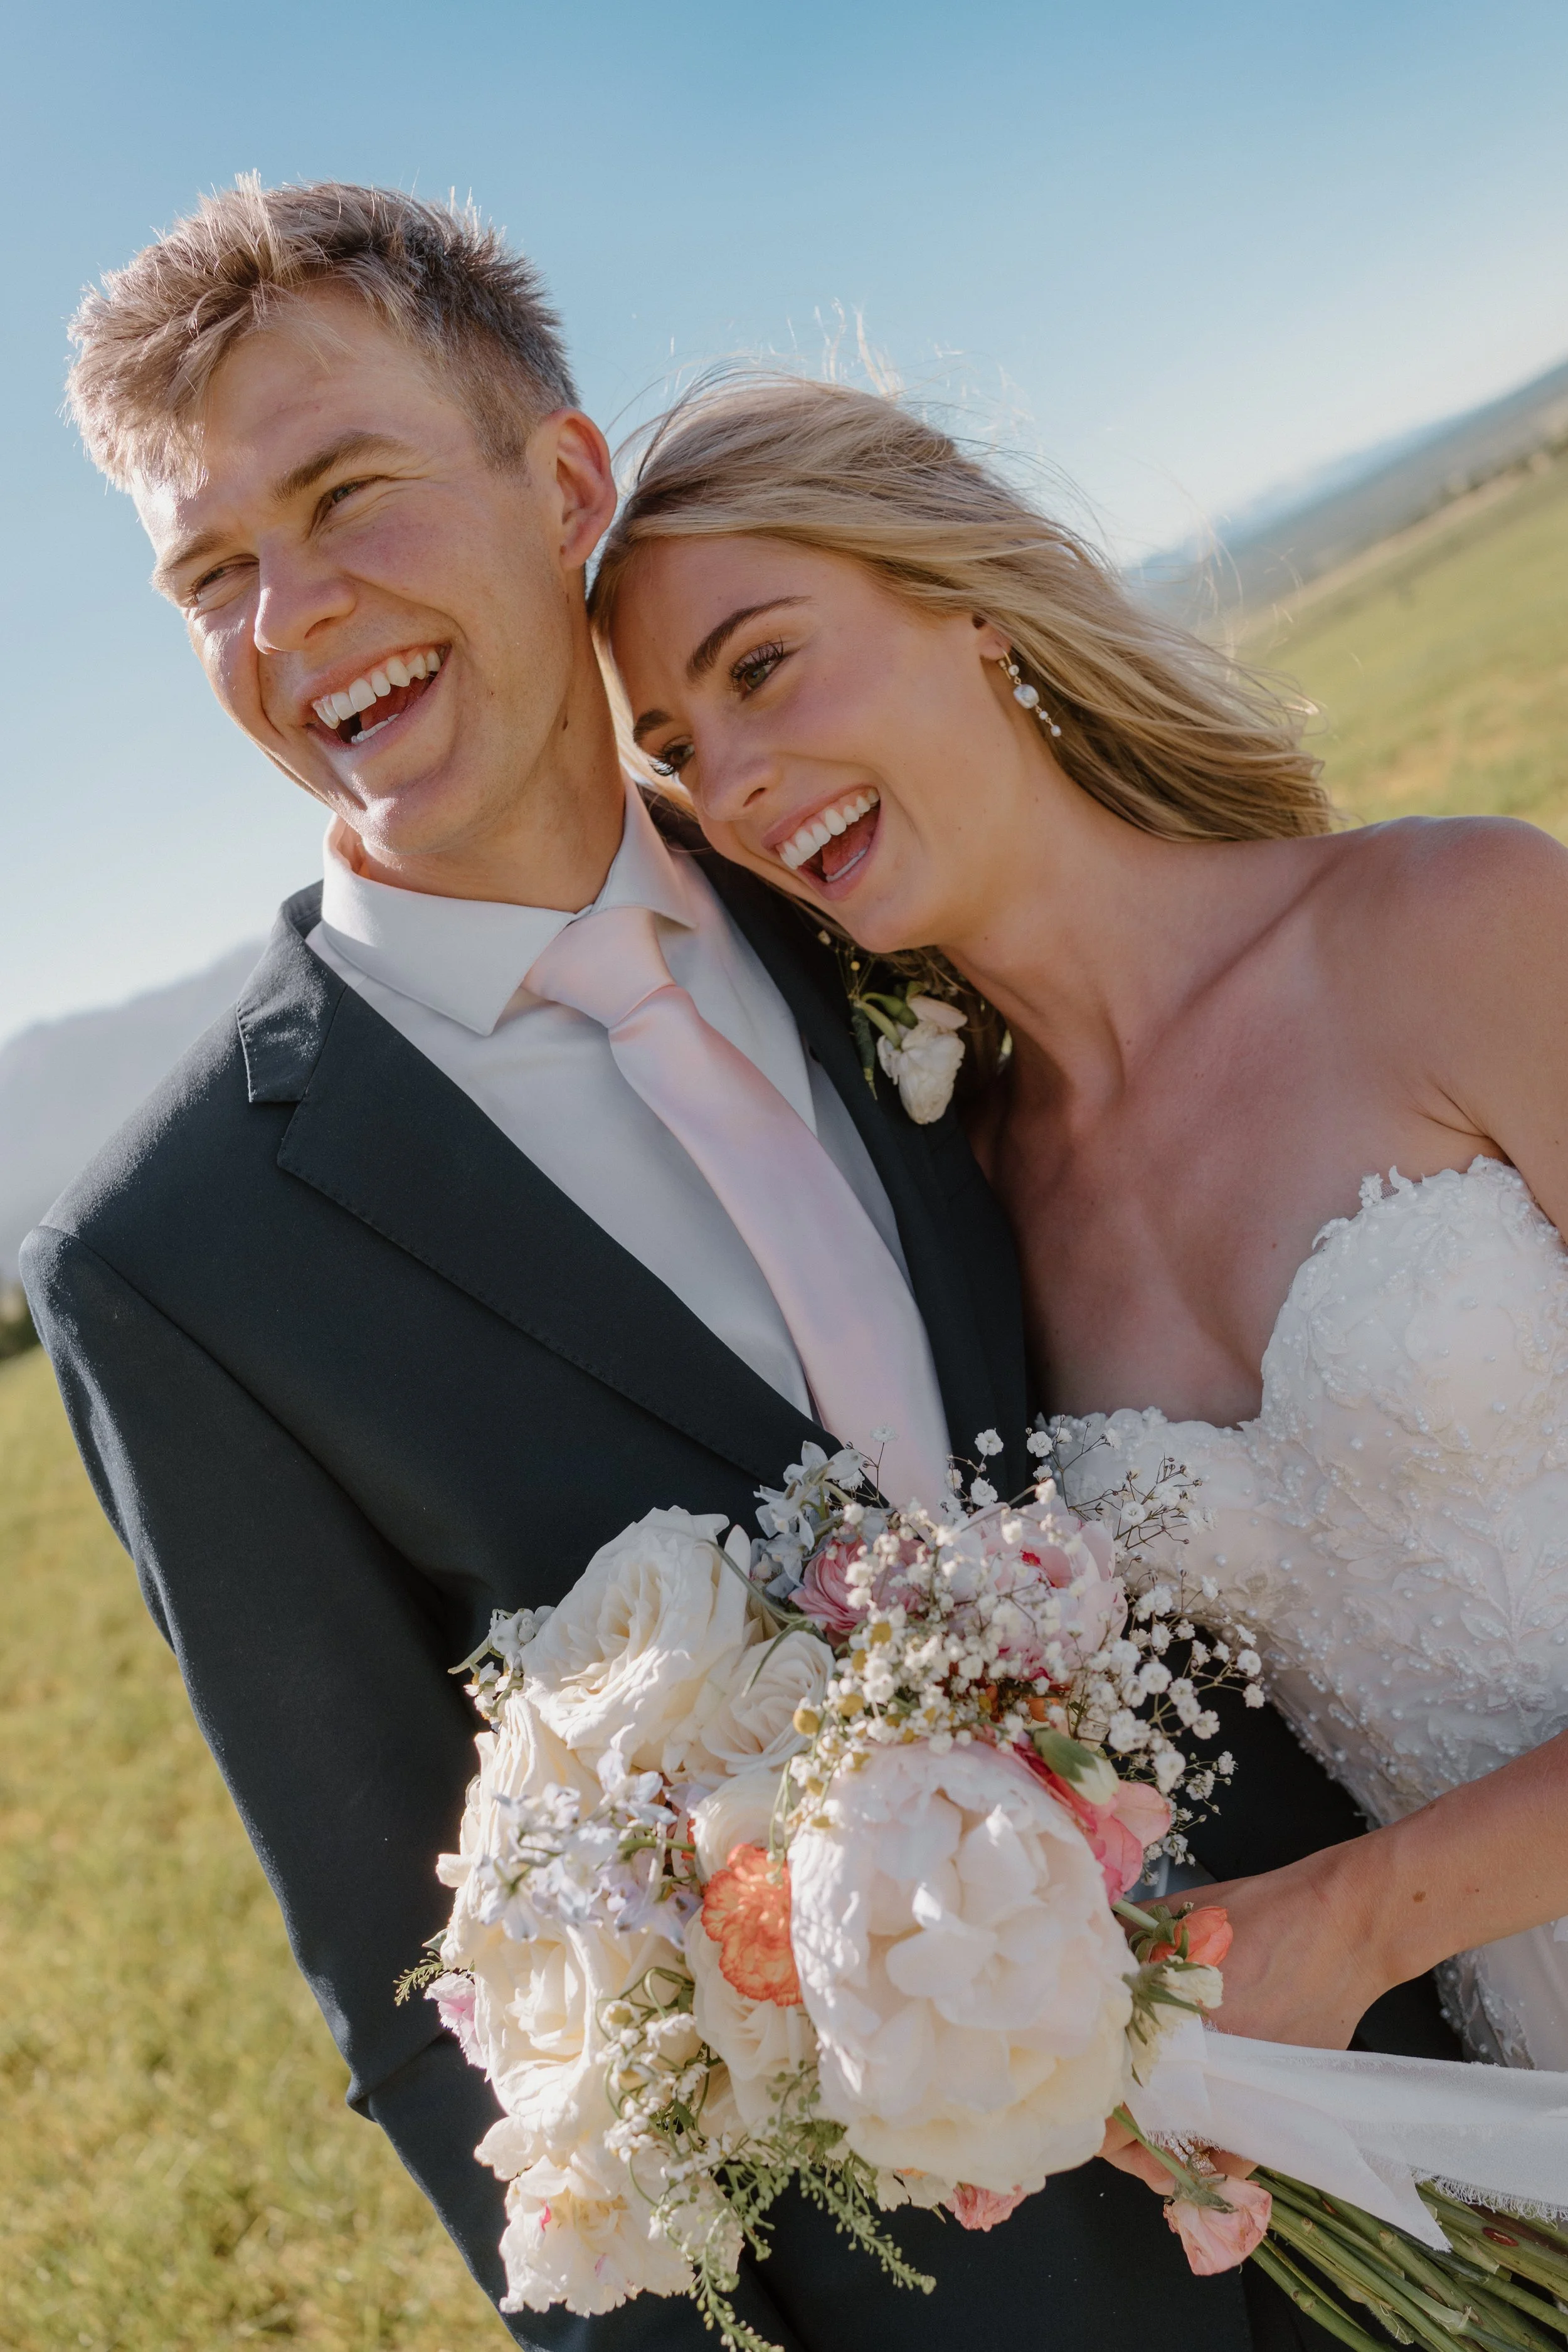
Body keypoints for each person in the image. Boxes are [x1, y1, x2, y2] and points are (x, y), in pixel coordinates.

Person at [25, 183, 1430, 2352]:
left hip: (1428, 2077)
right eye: (213, 572)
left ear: (561, 485)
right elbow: (426, 2016)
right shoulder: (177, 1259)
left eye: (348, 496)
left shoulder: (873, 885)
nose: (295, 613)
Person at [595, 371, 1568, 2100]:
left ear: (961, 598)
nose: (731, 781)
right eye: (671, 752)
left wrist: (1352, 1925)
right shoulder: (970, 1236)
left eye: (759, 666)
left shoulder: (1452, 925)